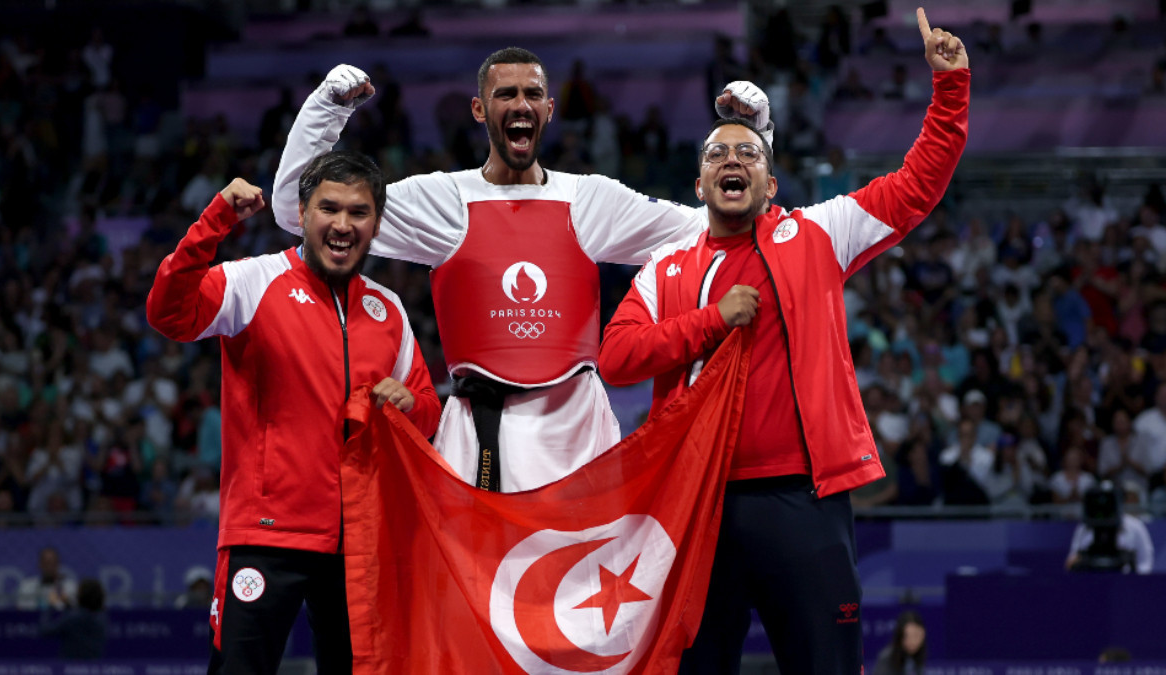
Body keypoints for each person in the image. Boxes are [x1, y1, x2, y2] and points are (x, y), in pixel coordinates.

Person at [597, 9, 969, 672]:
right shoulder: (668, 267)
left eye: (748, 153)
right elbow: (617, 358)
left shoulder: (818, 235)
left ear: (771, 184)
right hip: (698, 503)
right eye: (717, 153)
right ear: (699, 183)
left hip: (805, 498)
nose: (732, 159)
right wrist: (712, 320)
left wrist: (950, 89)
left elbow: (916, 187)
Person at [273, 48, 769, 492]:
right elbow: (298, 210)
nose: (520, 104)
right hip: (478, 439)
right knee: (475, 594)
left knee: (585, 593)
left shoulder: (589, 199)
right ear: (479, 109)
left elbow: (725, 225)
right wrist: (327, 109)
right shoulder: (443, 200)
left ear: (549, 110)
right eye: (505, 94)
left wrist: (758, 134)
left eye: (533, 93)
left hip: (578, 436)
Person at [147, 152, 441, 672]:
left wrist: (409, 403)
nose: (343, 225)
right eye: (329, 208)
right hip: (266, 536)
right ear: (301, 212)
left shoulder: (389, 309)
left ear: (376, 223)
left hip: (359, 544)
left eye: (359, 212)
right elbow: (169, 313)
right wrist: (215, 221)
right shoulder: (252, 283)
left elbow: (428, 415)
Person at [39, 577, 107, 659]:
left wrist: (49, 606)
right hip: (93, 668)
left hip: (69, 668)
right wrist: (68, 605)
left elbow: (45, 630)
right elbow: (86, 614)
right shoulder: (103, 618)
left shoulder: (72, 619)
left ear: (80, 596)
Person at [16, 546, 78, 611]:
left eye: (53, 563)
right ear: (40, 564)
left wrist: (59, 603)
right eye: (47, 563)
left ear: (58, 564)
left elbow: (74, 611)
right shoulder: (27, 586)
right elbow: (23, 610)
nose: (50, 567)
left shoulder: (70, 587)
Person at [872, 610, 928, 675]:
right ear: (900, 637)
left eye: (916, 635)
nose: (912, 641)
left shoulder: (918, 656)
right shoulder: (886, 658)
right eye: (907, 636)